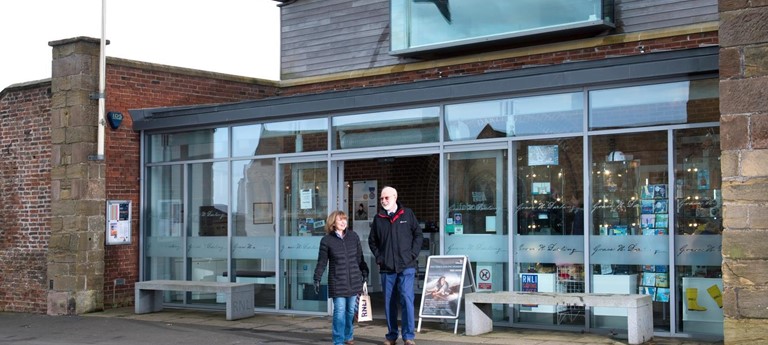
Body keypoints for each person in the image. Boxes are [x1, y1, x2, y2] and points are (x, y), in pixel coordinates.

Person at [368, 186, 423, 345]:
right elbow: (373, 241)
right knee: (389, 302)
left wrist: (412, 254)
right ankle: (392, 335)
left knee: (406, 299)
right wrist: (380, 258)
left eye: (386, 198)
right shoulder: (378, 218)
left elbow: (418, 235)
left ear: (395, 197)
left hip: (406, 266)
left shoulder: (407, 214)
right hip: (387, 268)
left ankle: (408, 336)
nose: (383, 201)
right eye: (381, 198)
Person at [314, 210, 369, 345]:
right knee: (339, 312)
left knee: (350, 311)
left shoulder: (353, 236)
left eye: (345, 219)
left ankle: (348, 336)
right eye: (340, 220)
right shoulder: (327, 240)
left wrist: (364, 271)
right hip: (337, 281)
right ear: (333, 223)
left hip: (354, 281)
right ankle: (338, 340)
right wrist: (317, 277)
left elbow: (359, 257)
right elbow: (322, 261)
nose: (344, 222)